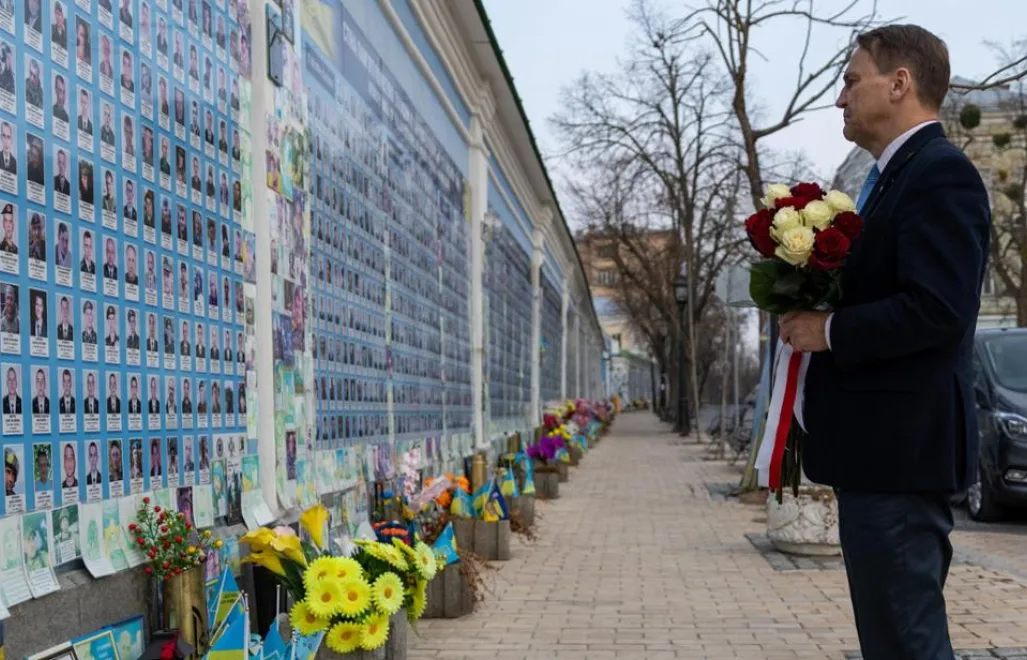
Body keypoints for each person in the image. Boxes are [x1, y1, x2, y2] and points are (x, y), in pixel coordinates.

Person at [779, 25, 991, 660]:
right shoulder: (894, 177)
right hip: (881, 455)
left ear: (899, 83)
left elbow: (938, 309)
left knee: (907, 641)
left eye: (850, 81)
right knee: (892, 640)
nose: (840, 99)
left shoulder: (939, 174)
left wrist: (830, 330)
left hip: (902, 455)